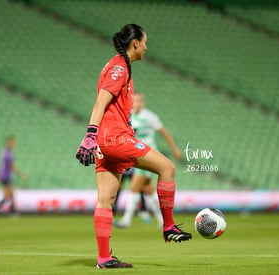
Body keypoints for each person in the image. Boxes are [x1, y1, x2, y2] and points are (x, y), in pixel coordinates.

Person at [75, 24, 192, 269]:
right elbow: (100, 103)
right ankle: (168, 227)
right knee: (167, 168)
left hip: (104, 142)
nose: (147, 47)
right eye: (145, 42)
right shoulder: (119, 68)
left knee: (105, 199)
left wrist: (93, 140)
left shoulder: (118, 65)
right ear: (136, 43)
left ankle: (104, 258)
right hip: (114, 138)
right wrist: (90, 134)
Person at [114, 92, 183, 228]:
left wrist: (175, 149)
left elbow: (164, 133)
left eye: (140, 100)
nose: (138, 103)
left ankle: (126, 221)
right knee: (148, 190)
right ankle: (163, 220)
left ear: (143, 102)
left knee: (134, 187)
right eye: (135, 100)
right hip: (137, 156)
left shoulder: (150, 117)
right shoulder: (128, 116)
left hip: (149, 156)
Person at [0, 136, 28, 215]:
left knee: (9, 195)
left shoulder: (5, 152)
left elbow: (1, 165)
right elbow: (11, 166)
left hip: (5, 176)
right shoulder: (8, 153)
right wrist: (21, 175)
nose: (13, 144)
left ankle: (9, 210)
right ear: (8, 142)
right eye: (12, 142)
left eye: (14, 143)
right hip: (6, 176)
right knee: (9, 195)